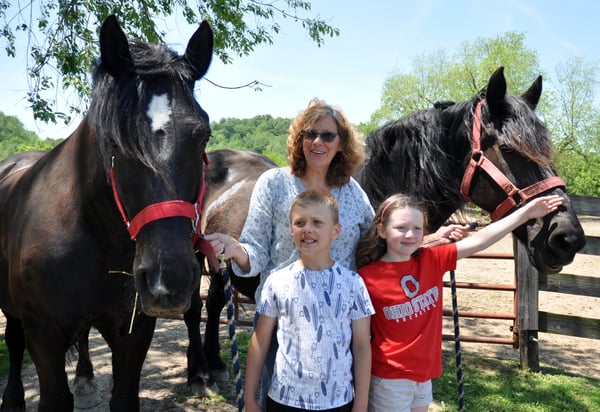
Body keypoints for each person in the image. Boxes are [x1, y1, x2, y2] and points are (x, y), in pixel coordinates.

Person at [205, 98, 468, 407]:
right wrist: (237, 249)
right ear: (299, 138)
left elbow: (379, 240)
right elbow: (257, 250)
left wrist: (428, 240)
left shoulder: (352, 193)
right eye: (310, 133)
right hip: (283, 319)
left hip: (338, 322)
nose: (318, 141)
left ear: (341, 143)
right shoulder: (274, 183)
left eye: (328, 135)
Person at [355, 193, 564, 412]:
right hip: (389, 379)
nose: (410, 235)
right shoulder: (366, 278)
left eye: (417, 228)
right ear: (381, 230)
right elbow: (360, 338)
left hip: (424, 375)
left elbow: (481, 240)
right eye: (401, 228)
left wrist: (526, 213)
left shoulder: (432, 260)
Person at [245, 190, 375, 412]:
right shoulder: (277, 281)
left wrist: (361, 404)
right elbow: (260, 340)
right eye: (300, 222)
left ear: (336, 231)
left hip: (337, 401)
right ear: (291, 230)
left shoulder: (353, 284)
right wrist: (250, 398)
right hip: (284, 400)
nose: (307, 229)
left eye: (317, 222)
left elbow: (362, 345)